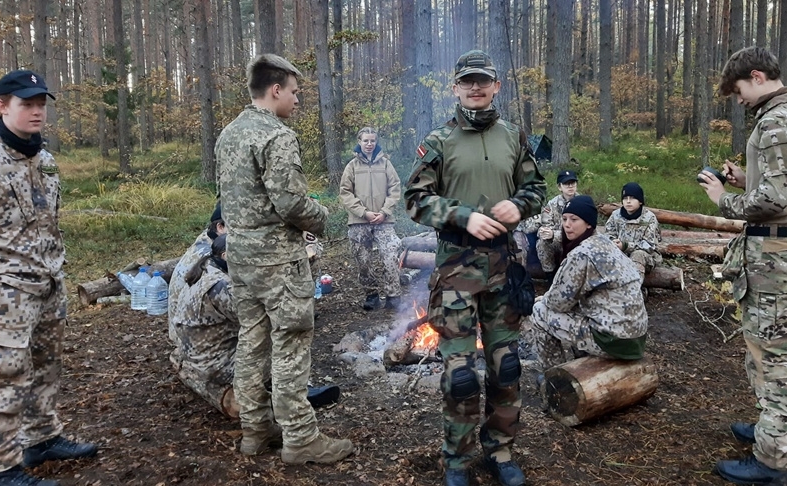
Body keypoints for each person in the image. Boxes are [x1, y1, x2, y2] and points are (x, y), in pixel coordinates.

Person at [404, 49, 546, 486]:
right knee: (461, 374)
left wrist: (517, 205)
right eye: (467, 81)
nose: (475, 87)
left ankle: (500, 451)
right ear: (456, 89)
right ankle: (457, 461)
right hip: (456, 270)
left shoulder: (513, 137)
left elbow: (536, 188)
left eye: (483, 80)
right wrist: (462, 215)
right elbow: (415, 200)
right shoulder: (439, 140)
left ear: (496, 86)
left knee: (506, 367)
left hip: (504, 266)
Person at [215, 54, 353, 464]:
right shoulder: (276, 136)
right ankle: (300, 438)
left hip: (240, 258)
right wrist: (324, 217)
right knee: (290, 343)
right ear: (275, 90)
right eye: (294, 92)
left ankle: (255, 431)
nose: (297, 100)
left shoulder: (229, 134)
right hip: (278, 260)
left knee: (251, 342)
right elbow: (291, 202)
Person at [698, 46, 787, 486]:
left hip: (774, 257)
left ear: (757, 76)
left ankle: (771, 462)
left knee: (772, 357)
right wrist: (747, 178)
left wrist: (723, 200)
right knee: (782, 346)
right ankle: (775, 431)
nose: (740, 99)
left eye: (740, 90)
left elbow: (770, 202)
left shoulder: (775, 121)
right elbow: (782, 182)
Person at [0, 70, 98, 485]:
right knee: (5, 374)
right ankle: (1, 468)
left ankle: (42, 438)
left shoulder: (46, 160)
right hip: (5, 292)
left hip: (48, 284)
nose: (37, 113)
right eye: (26, 105)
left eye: (41, 105)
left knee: (46, 366)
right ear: (1, 105)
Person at [170, 235, 340, 422]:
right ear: (227, 255)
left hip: (196, 354)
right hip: (214, 364)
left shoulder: (205, 268)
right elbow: (261, 319)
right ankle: (291, 397)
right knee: (286, 340)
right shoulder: (221, 286)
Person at [526, 195, 648, 371]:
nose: (567, 224)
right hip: (636, 335)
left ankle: (554, 377)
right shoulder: (605, 242)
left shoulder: (582, 254)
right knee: (578, 306)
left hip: (615, 341)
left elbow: (557, 303)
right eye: (565, 219)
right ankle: (583, 363)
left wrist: (543, 300)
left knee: (539, 312)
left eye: (574, 219)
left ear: (589, 223)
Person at [339, 127, 403, 311]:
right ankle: (371, 294)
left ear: (376, 142)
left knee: (390, 254)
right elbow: (345, 193)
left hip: (384, 220)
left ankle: (393, 296)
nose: (369, 144)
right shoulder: (352, 166)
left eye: (372, 141)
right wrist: (363, 212)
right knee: (363, 261)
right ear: (359, 141)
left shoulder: (385, 164)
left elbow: (395, 189)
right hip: (359, 221)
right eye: (365, 141)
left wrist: (384, 211)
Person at [169, 202, 225, 365]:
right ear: (220, 227)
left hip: (187, 332)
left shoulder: (207, 239)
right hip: (196, 344)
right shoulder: (210, 257)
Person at [604, 182, 662, 280]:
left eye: (632, 198)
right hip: (621, 254)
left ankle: (634, 290)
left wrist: (626, 246)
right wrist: (614, 242)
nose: (628, 201)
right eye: (625, 198)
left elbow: (649, 245)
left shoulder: (649, 218)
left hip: (646, 256)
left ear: (640, 201)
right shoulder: (615, 215)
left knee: (638, 255)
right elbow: (608, 234)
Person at [534, 170, 579, 278]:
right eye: (566, 183)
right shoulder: (552, 204)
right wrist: (545, 233)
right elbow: (544, 225)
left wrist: (554, 234)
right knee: (542, 243)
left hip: (577, 242)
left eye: (573, 183)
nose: (570, 186)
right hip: (558, 242)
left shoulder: (583, 202)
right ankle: (550, 277)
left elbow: (583, 232)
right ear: (560, 187)